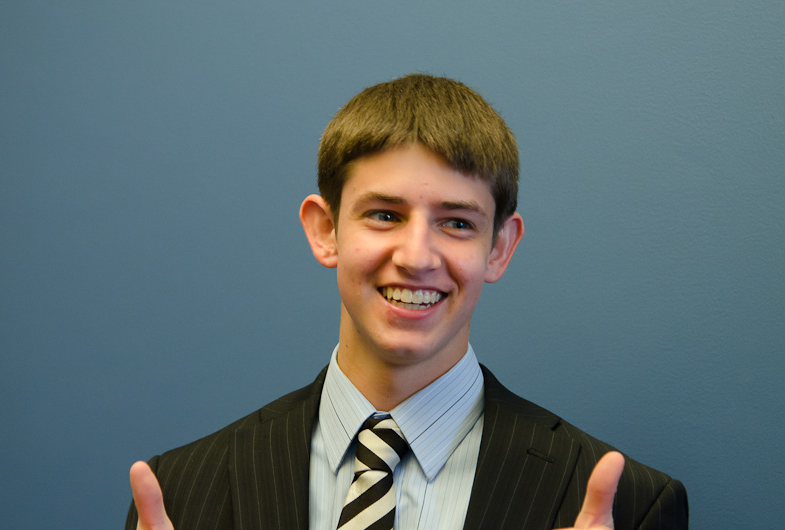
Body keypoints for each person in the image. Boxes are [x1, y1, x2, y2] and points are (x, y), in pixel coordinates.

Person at [126, 74, 688, 530]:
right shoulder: (178, 492)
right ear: (325, 231)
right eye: (384, 215)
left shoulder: (629, 507)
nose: (417, 256)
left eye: (457, 223)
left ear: (499, 249)